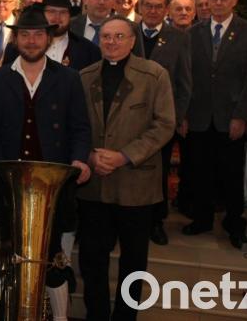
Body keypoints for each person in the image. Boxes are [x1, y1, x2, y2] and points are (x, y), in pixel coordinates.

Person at [0, 6, 92, 321]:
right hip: (10, 186)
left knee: (54, 254)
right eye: (25, 35)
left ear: (48, 38)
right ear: (15, 39)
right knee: (13, 252)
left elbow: (80, 128)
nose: (31, 41)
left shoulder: (68, 78)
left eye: (38, 35)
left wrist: (79, 160)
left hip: (53, 185)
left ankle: (58, 318)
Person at [77, 17, 175, 321]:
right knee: (92, 259)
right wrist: (90, 155)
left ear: (132, 41)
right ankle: (96, 314)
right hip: (95, 184)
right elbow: (75, 126)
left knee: (133, 262)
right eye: (106, 36)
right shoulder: (84, 76)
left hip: (136, 184)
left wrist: (124, 156)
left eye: (119, 36)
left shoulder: (154, 75)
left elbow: (164, 125)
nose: (111, 42)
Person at [183, 0, 247, 249]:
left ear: (233, 1)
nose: (217, 3)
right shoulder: (194, 32)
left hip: (232, 117)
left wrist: (242, 116)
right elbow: (186, 77)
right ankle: (202, 219)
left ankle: (234, 224)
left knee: (231, 175)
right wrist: (184, 114)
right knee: (199, 171)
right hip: (199, 116)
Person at [137, 0, 192, 246]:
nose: (153, 10)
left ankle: (155, 222)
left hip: (162, 120)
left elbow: (184, 82)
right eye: (148, 5)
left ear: (166, 9)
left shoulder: (178, 38)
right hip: (129, 118)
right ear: (140, 7)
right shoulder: (127, 32)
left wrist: (176, 118)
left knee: (158, 173)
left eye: (158, 6)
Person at [2, 0, 101, 70]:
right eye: (51, 11)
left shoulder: (88, 50)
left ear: (70, 16)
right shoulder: (16, 48)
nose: (57, 17)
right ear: (42, 13)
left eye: (63, 12)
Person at [69, 0, 145, 56]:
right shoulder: (70, 26)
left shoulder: (130, 28)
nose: (102, 2)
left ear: (113, 1)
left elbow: (139, 65)